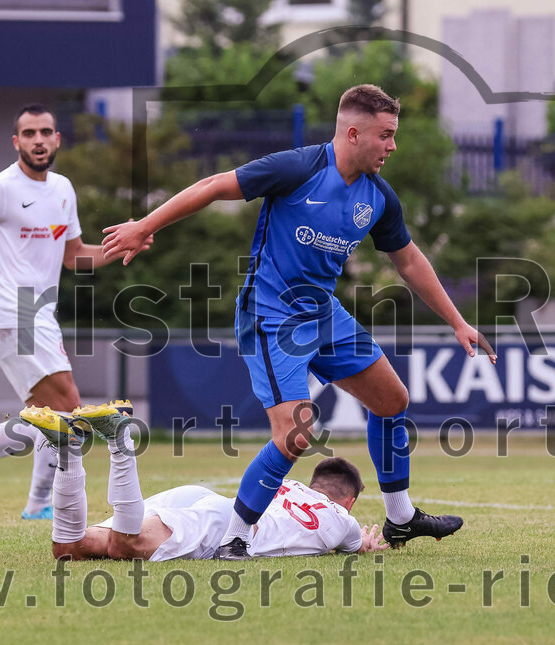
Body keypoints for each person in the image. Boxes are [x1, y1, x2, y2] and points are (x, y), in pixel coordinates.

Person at [102, 84, 496, 559]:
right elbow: (212, 187)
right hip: (272, 313)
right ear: (353, 133)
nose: (392, 145)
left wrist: (457, 321)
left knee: (393, 399)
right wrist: (144, 226)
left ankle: (401, 518)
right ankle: (237, 538)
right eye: (386, 135)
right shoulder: (297, 167)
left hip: (323, 312)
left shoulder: (379, 196)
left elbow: (408, 260)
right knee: (295, 434)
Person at [0, 104, 150, 520]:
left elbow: (75, 257)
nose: (38, 140)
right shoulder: (0, 189)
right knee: (67, 408)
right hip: (13, 310)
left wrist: (119, 249)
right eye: (29, 133)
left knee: (51, 418)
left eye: (46, 132)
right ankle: (27, 497)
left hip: (40, 313)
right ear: (16, 142)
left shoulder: (63, 189)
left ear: (57, 139)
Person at [19, 402, 386, 560]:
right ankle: (119, 438)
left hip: (209, 502)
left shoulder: (293, 488)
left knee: (69, 550)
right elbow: (358, 546)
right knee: (124, 545)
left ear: (314, 480)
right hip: (224, 526)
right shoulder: (343, 521)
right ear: (349, 501)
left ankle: (66, 449)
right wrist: (367, 544)